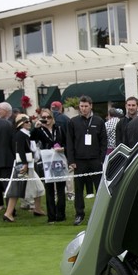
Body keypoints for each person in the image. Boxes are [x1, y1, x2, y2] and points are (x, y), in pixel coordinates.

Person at [65, 95, 107, 226]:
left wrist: (101, 158)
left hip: (95, 160)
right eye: (81, 106)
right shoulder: (73, 122)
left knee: (99, 188)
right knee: (78, 189)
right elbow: (69, 142)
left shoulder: (99, 121)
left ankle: (101, 214)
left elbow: (103, 141)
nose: (83, 109)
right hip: (79, 160)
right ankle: (79, 214)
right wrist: (71, 160)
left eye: (86, 106)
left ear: (91, 106)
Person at [32, 108, 67, 222]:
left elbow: (66, 142)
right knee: (50, 189)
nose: (46, 120)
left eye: (48, 117)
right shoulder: (39, 130)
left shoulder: (59, 129)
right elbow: (30, 140)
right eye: (44, 118)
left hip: (59, 159)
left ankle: (61, 214)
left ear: (53, 118)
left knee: (61, 188)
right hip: (46, 161)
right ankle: (51, 216)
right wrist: (35, 128)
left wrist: (63, 149)